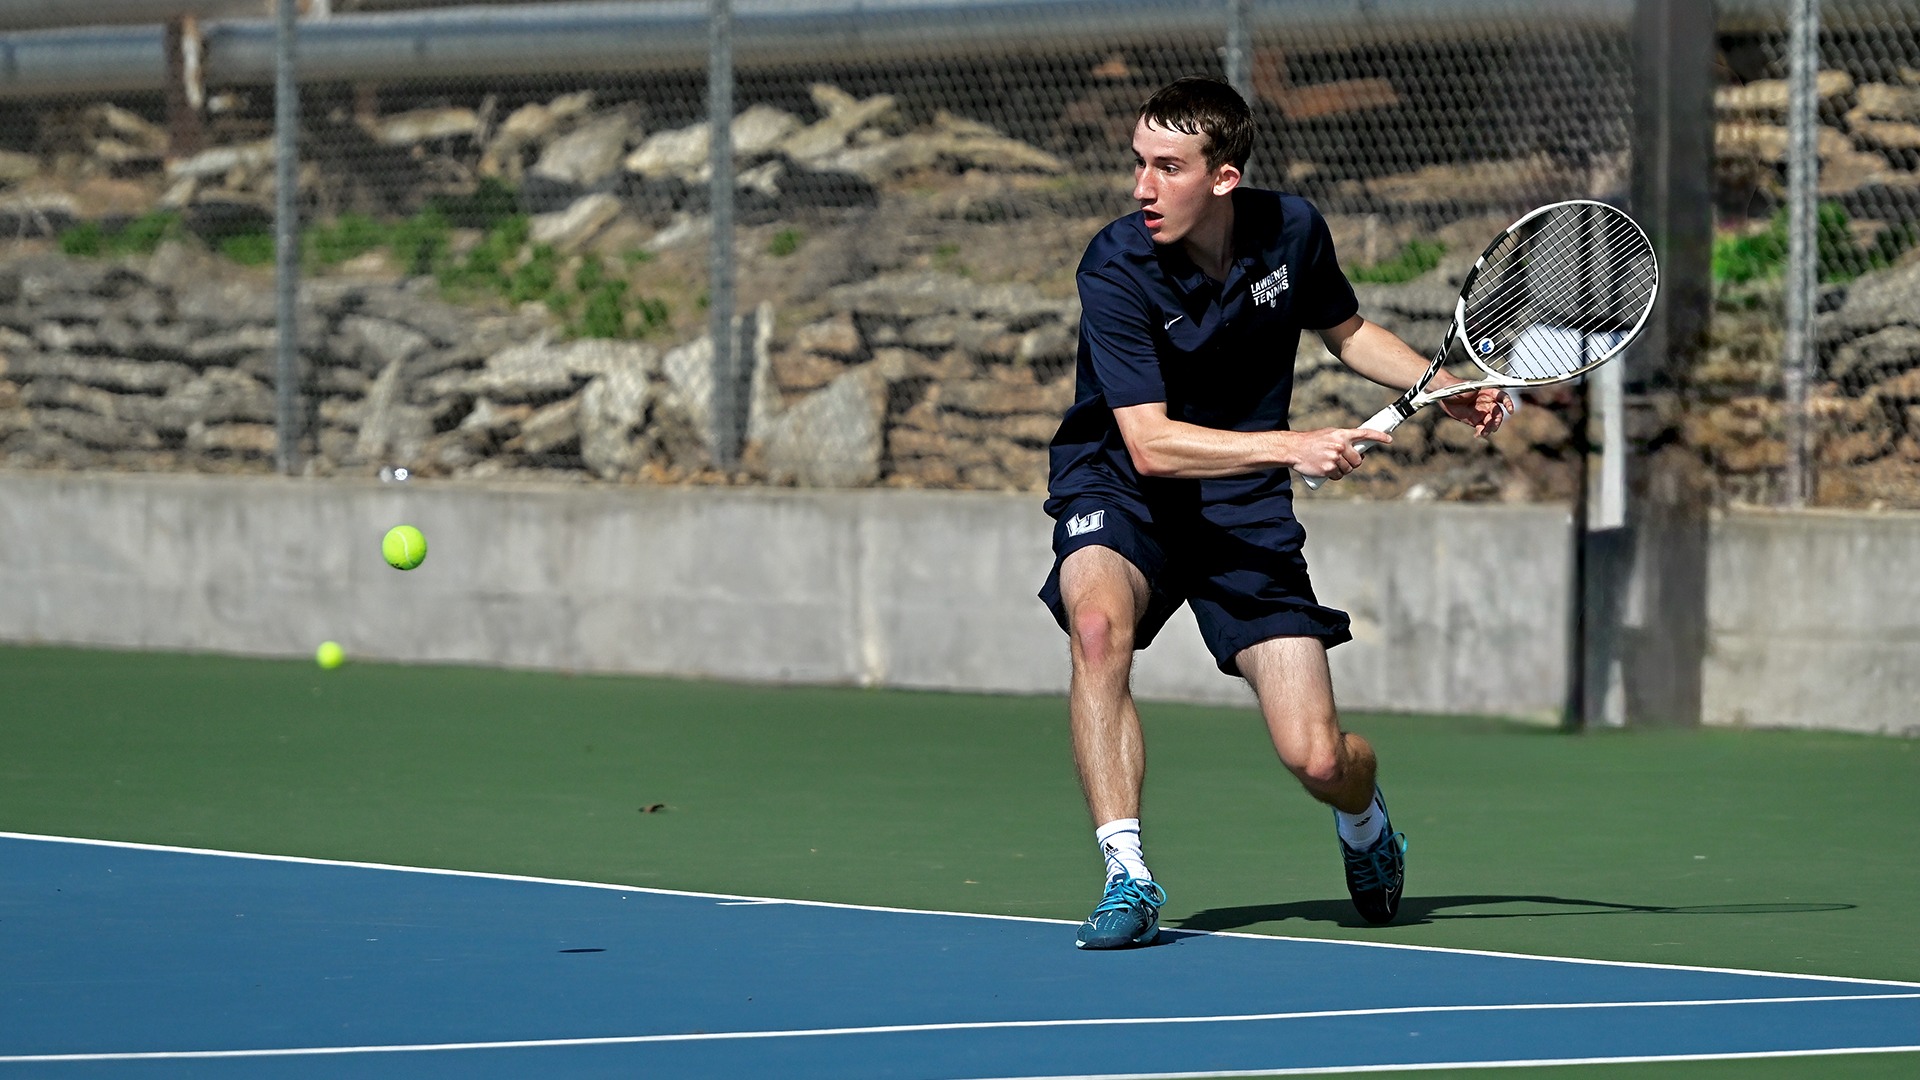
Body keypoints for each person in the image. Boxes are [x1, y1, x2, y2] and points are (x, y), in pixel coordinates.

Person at [1039, 76, 1509, 950]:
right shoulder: (1115, 263)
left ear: (1222, 176)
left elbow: (1346, 329)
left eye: (1166, 167)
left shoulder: (1291, 229)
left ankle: (1365, 820)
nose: (1142, 187)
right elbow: (1149, 443)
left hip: (1243, 512)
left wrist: (1439, 386)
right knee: (1097, 631)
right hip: (1120, 489)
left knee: (1318, 758)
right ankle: (1127, 875)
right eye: (1137, 164)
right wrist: (1293, 445)